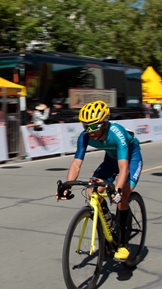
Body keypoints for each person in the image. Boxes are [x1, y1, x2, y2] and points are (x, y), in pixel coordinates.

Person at [56, 100, 143, 261]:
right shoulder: (85, 137)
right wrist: (67, 186)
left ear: (104, 124)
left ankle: (124, 245)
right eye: (85, 126)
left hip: (131, 159)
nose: (89, 131)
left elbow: (123, 167)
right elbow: (76, 164)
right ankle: (109, 222)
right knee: (92, 192)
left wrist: (117, 190)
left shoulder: (117, 133)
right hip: (110, 161)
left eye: (94, 126)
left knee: (123, 194)